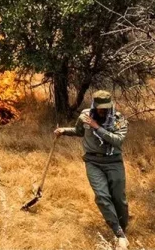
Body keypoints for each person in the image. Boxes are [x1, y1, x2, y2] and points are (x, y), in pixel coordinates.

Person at [54, 90, 129, 250]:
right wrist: (64, 131)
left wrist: (97, 127)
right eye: (100, 108)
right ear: (94, 105)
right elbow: (79, 131)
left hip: (113, 161)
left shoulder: (118, 119)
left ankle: (123, 227)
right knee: (102, 196)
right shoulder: (85, 116)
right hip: (93, 162)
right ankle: (119, 234)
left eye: (106, 108)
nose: (103, 111)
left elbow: (118, 140)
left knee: (118, 199)